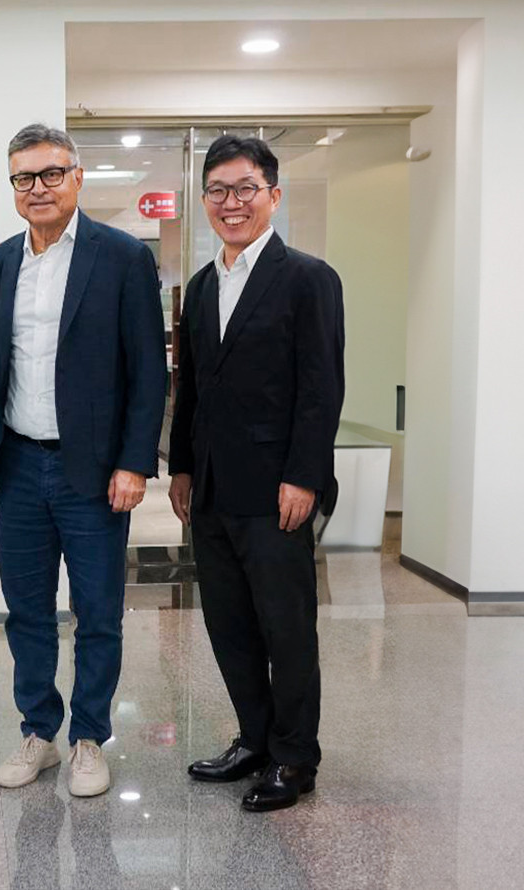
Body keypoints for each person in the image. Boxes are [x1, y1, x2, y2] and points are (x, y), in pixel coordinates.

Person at [0, 123, 166, 798]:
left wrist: (134, 463)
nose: (38, 188)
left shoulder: (121, 257)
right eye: (24, 177)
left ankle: (88, 738)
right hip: (17, 464)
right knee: (25, 611)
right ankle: (38, 733)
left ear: (76, 177)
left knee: (97, 612)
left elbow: (147, 371)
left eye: (51, 174)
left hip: (94, 471)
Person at [169, 134, 344, 812]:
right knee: (230, 625)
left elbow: (320, 388)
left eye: (245, 188)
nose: (231, 202)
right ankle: (254, 739)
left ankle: (294, 757)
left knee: (285, 628)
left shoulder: (307, 278)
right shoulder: (202, 285)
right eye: (217, 190)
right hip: (212, 488)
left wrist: (304, 476)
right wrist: (182, 467)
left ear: (273, 194)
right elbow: (191, 386)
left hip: (277, 491)